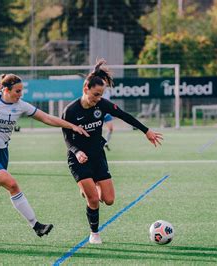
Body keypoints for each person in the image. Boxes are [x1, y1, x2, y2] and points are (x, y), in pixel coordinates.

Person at [0, 73, 89, 237]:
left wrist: (72, 126)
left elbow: (46, 118)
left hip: (1, 153)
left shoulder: (21, 106)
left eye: (21, 91)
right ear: (5, 90)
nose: (20, 95)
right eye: (17, 91)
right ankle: (36, 226)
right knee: (12, 184)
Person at [61, 60, 163, 244]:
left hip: (98, 155)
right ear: (86, 88)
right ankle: (94, 233)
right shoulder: (70, 111)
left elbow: (124, 115)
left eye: (101, 95)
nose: (97, 99)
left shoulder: (102, 105)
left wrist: (146, 131)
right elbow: (67, 139)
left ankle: (89, 186)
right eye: (95, 94)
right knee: (93, 200)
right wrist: (76, 152)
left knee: (108, 200)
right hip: (78, 159)